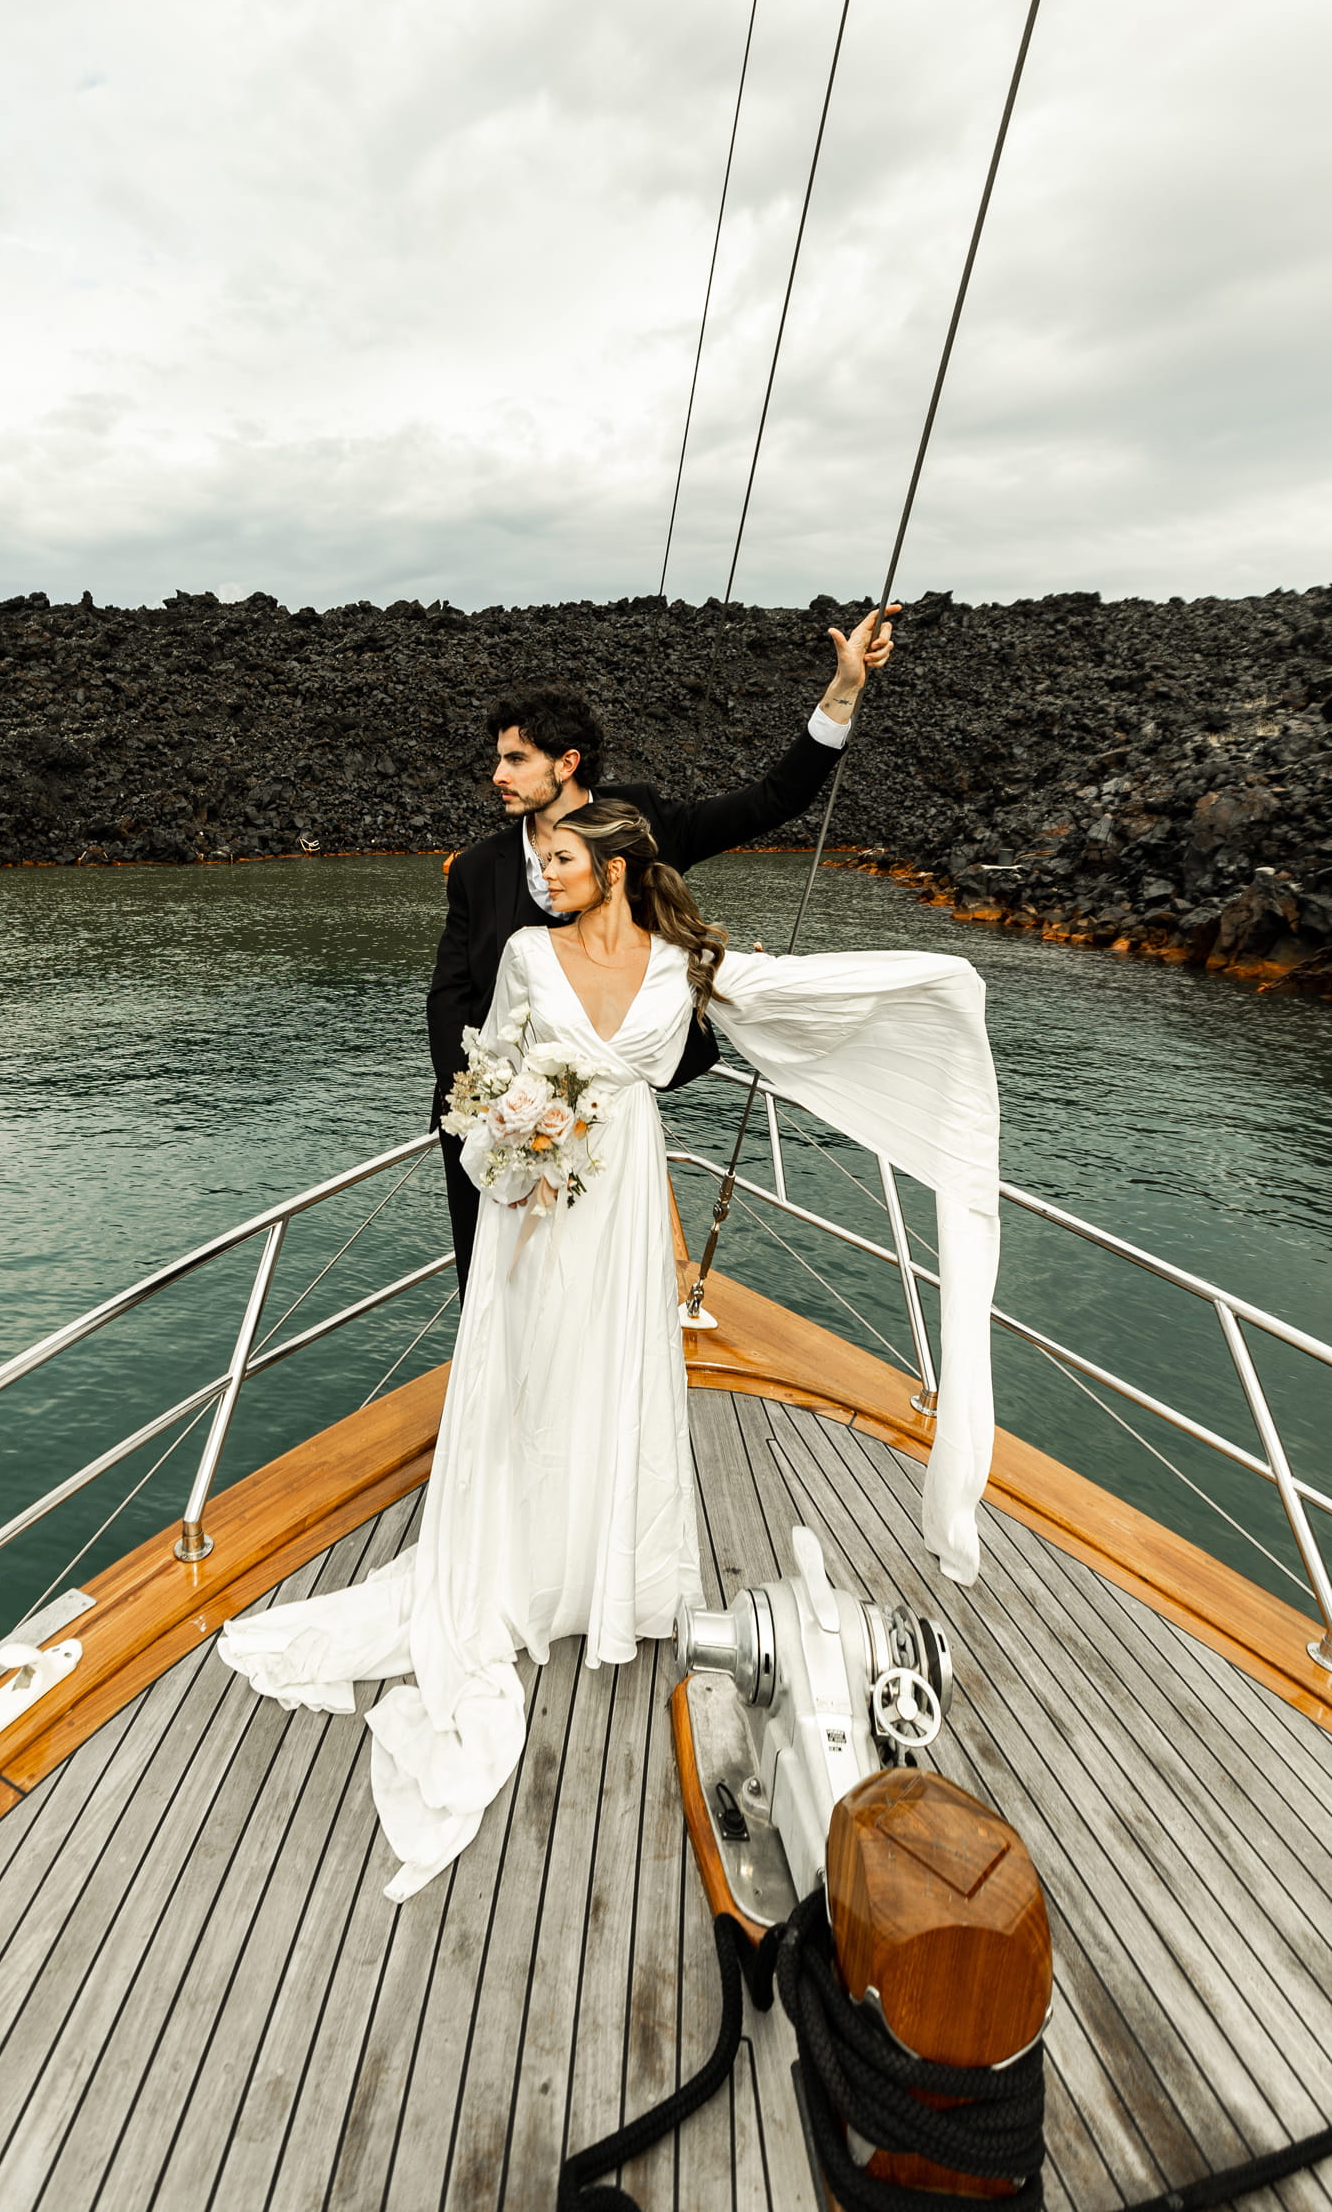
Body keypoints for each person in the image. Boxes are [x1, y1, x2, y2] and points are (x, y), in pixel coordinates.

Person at [219, 799, 1000, 1902]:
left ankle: (603, 1572)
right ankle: (521, 1564)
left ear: (620, 866)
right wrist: (511, 1134)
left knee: (614, 1375)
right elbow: (487, 1069)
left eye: (561, 858)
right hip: (536, 1204)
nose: (542, 873)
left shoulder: (682, 958)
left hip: (626, 1195)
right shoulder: (526, 952)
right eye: (539, 859)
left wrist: (934, 990)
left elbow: (786, 1004)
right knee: (533, 1380)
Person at [427, 606, 899, 1295]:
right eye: (497, 759)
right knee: (495, 1288)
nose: (496, 774)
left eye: (513, 759)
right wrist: (474, 1106)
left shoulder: (638, 824)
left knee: (598, 1286)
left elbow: (772, 799)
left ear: (566, 763)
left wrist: (843, 692)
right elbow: (451, 995)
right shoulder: (477, 867)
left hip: (609, 1117)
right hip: (501, 1121)